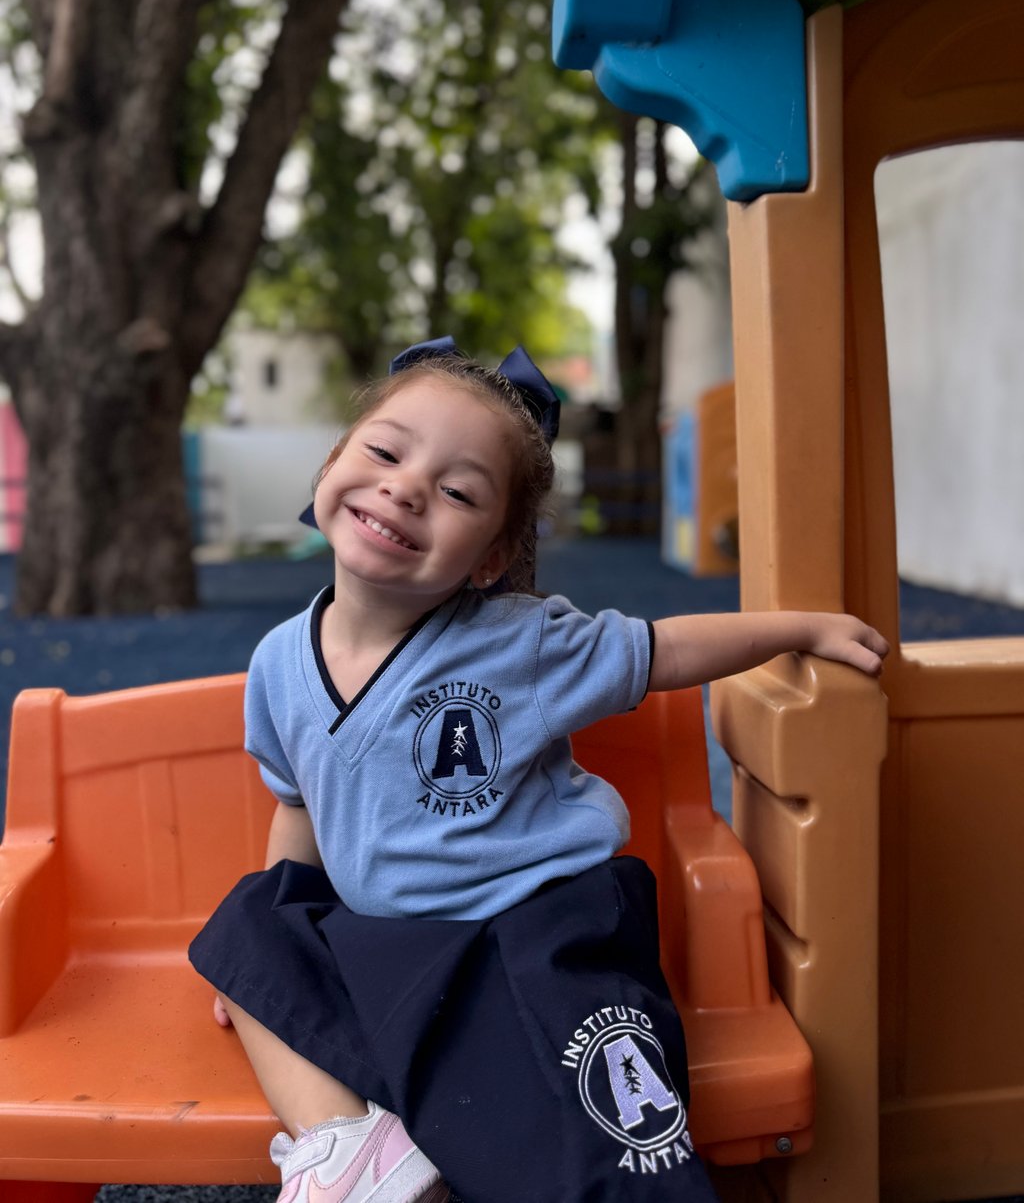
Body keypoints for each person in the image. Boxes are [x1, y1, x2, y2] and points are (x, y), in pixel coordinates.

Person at [189, 338, 889, 1203]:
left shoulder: (520, 642)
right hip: (395, 943)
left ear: (489, 557)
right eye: (384, 451)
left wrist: (800, 629)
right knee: (244, 930)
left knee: (607, 1121)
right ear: (332, 465)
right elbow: (298, 808)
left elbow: (665, 649)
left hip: (532, 928)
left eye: (458, 492)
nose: (407, 487)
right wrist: (274, 961)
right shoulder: (277, 662)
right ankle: (351, 1153)